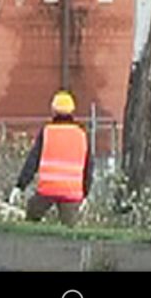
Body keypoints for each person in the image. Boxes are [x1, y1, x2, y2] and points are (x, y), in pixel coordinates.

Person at [9, 91, 93, 227]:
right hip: (72, 193)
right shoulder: (81, 134)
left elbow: (33, 161)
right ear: (72, 111)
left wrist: (20, 186)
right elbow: (89, 166)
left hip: (47, 190)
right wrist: (86, 192)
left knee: (30, 221)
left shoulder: (47, 131)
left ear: (53, 111)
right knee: (70, 232)